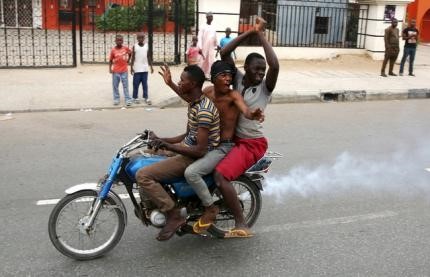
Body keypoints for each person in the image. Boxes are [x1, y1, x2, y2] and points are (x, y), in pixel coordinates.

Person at [137, 65, 220, 241]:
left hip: (192, 157)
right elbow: (188, 135)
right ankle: (152, 205)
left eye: (183, 81)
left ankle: (173, 214)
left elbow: (199, 151)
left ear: (194, 84)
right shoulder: (195, 102)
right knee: (144, 154)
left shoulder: (204, 110)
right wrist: (161, 140)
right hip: (185, 149)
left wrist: (168, 146)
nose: (179, 83)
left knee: (143, 175)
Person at [215, 16, 279, 238]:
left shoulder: (265, 89)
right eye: (256, 69)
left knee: (220, 176)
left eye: (262, 70)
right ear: (246, 69)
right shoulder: (239, 79)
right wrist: (249, 32)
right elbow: (224, 54)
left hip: (251, 144)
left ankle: (241, 222)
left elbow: (275, 65)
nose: (260, 73)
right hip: (231, 139)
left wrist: (260, 34)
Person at [183, 60, 264, 234]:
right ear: (213, 78)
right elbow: (191, 99)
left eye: (230, 75)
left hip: (224, 146)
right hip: (209, 144)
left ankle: (217, 212)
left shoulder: (233, 96)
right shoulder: (208, 92)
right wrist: (170, 84)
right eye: (223, 75)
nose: (228, 79)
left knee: (192, 172)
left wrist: (253, 114)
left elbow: (246, 111)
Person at [130, 32, 154, 105]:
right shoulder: (135, 46)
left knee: (145, 84)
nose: (140, 39)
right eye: (139, 37)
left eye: (142, 37)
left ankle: (146, 97)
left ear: (144, 38)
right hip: (137, 69)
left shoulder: (146, 46)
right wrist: (131, 67)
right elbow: (133, 57)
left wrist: (151, 66)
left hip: (145, 69)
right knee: (136, 84)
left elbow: (148, 57)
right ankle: (135, 97)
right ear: (137, 38)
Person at [109, 34, 132, 106]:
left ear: (122, 41)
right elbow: (110, 60)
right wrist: (110, 69)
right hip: (116, 72)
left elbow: (130, 53)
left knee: (125, 86)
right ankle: (116, 99)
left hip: (124, 71)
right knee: (115, 86)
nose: (119, 41)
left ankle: (127, 99)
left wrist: (128, 60)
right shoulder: (113, 50)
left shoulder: (125, 48)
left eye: (120, 40)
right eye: (118, 40)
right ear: (115, 41)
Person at [198, 12, 217, 79]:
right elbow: (199, 37)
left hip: (211, 47)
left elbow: (214, 37)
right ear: (206, 17)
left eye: (212, 16)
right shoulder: (202, 26)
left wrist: (217, 45)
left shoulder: (213, 27)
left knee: (211, 61)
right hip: (204, 47)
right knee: (203, 61)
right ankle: (200, 74)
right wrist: (200, 47)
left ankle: (208, 75)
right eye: (209, 16)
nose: (211, 18)